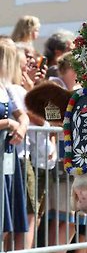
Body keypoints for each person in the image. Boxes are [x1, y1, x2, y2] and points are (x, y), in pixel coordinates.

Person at [0, 40, 30, 250]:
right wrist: (9, 123)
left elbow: (24, 116)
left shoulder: (4, 88)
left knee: (6, 220)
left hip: (7, 157)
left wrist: (21, 126)